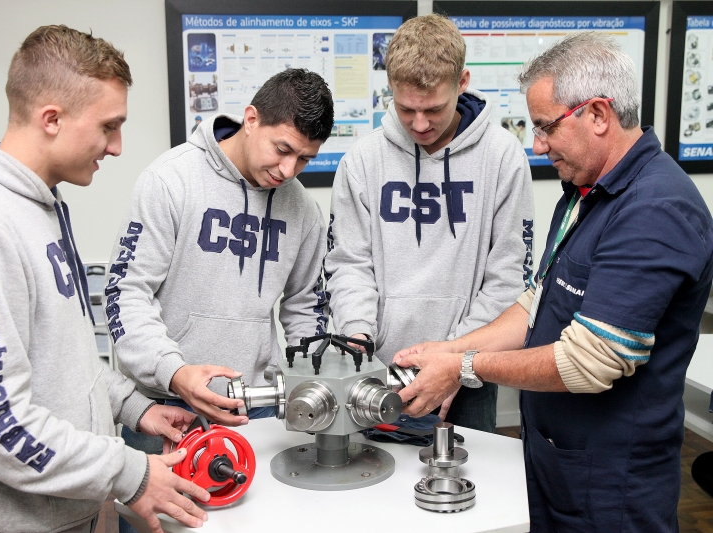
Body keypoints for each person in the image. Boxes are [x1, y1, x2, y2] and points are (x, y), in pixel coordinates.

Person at [393, 32, 713, 531]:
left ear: (599, 115)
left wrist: (467, 365)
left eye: (545, 127)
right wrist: (450, 353)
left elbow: (591, 360)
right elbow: (537, 304)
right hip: (555, 459)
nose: (537, 144)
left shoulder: (657, 209)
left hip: (610, 481)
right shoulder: (584, 191)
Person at [0, 25, 213, 533]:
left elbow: (62, 358)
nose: (117, 147)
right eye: (108, 127)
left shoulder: (41, 205)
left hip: (75, 509)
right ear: (51, 118)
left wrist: (135, 408)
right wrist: (130, 472)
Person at [106, 68, 332, 470]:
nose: (288, 170)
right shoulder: (169, 181)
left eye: (304, 159)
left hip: (257, 407)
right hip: (164, 407)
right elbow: (126, 293)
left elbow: (305, 307)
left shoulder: (303, 210)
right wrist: (174, 373)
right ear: (251, 119)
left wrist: (305, 381)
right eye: (282, 149)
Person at [324, 14, 534, 433]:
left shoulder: (503, 157)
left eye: (433, 108)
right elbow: (349, 263)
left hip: (469, 375)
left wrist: (457, 360)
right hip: (377, 368)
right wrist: (358, 335)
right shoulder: (362, 161)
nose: (419, 124)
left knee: (468, 491)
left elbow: (509, 276)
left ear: (462, 82)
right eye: (406, 109)